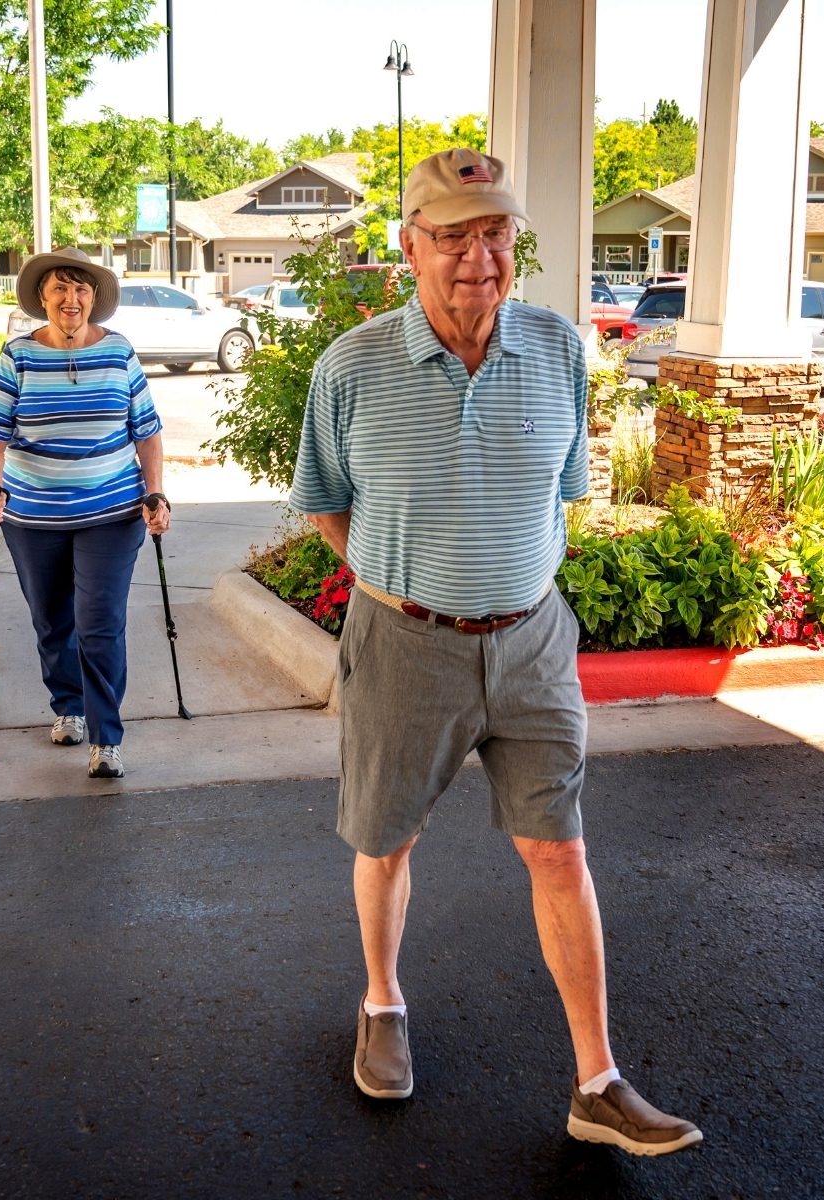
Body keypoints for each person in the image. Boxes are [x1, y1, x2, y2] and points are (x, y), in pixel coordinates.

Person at [289, 149, 703, 1157]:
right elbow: (324, 508)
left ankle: (596, 1081)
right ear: (409, 246)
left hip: (531, 644)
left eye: (496, 236)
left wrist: (506, 588)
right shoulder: (352, 367)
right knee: (387, 841)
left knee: (560, 847)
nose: (477, 260)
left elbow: (563, 493)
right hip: (404, 647)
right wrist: (403, 586)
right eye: (452, 237)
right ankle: (383, 1002)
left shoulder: (560, 349)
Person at [0, 248, 170, 779]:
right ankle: (68, 703)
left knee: (99, 622)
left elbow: (147, 431)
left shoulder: (119, 352)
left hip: (111, 511)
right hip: (33, 516)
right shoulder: (18, 356)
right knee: (52, 619)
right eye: (60, 288)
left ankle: (107, 737)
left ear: (94, 299)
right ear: (42, 298)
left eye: (81, 289)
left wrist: (155, 493)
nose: (71, 298)